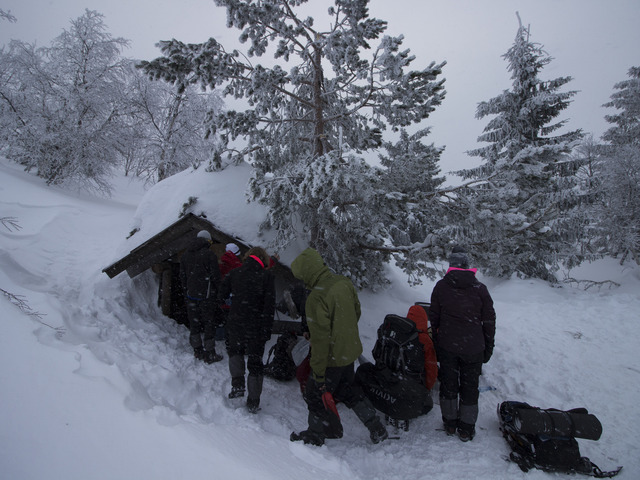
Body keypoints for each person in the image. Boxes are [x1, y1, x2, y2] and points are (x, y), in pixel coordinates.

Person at [289, 248, 388, 446]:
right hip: (349, 351)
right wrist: (341, 331)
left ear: (307, 272)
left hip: (332, 358)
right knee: (348, 390)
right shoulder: (343, 282)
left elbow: (320, 340)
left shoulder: (315, 298)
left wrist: (317, 371)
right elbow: (356, 313)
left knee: (314, 394)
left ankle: (315, 435)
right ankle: (376, 427)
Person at [429, 245, 496, 442]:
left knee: (449, 384)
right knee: (470, 386)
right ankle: (466, 428)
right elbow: (489, 321)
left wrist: (439, 340)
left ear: (451, 266)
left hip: (448, 345)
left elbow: (434, 317)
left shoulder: (441, 287)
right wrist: (488, 345)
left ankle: (450, 424)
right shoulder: (480, 289)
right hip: (473, 347)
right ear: (467, 266)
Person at [218, 246, 275, 413]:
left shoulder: (235, 273)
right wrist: (266, 329)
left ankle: (237, 385)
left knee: (235, 352)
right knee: (255, 363)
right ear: (263, 259)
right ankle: (253, 401)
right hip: (257, 326)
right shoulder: (267, 277)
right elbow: (269, 306)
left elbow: (220, 296)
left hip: (236, 322)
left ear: (247, 257)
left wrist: (231, 309)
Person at [179, 230, 224, 364]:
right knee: (209, 324)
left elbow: (182, 276)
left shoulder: (185, 255)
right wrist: (220, 292)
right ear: (207, 241)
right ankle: (210, 353)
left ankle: (197, 350)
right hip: (207, 296)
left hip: (191, 296)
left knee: (194, 323)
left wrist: (187, 289)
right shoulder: (209, 255)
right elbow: (216, 276)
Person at [406, 304, 438, 410]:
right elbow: (431, 370)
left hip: (398, 380)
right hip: (416, 383)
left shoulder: (402, 333)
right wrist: (427, 388)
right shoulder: (425, 341)